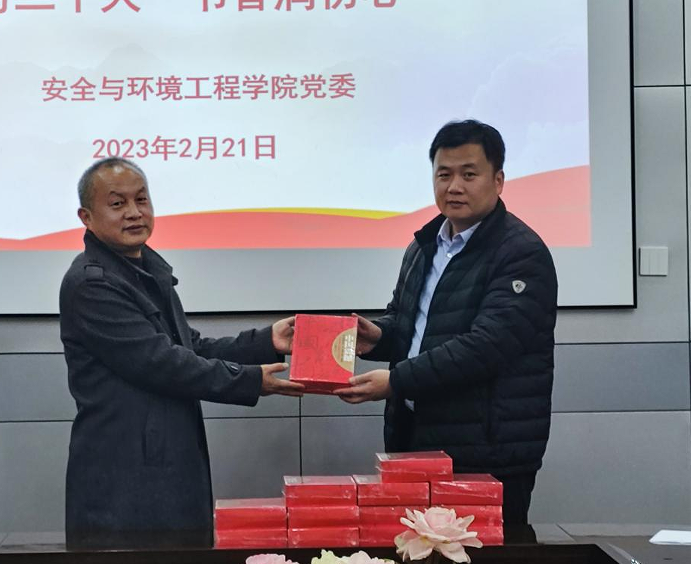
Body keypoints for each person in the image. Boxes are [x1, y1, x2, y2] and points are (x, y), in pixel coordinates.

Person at [59, 157, 303, 548]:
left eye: (141, 199)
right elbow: (163, 363)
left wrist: (265, 342)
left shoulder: (145, 270)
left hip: (166, 467)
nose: (134, 212)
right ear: (86, 217)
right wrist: (252, 381)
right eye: (118, 203)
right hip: (125, 479)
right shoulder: (92, 284)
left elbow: (190, 346)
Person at [335, 119, 558, 525]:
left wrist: (396, 381)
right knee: (412, 548)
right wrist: (378, 336)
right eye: (444, 174)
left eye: (469, 175)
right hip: (415, 437)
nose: (454, 186)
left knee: (491, 551)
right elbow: (412, 324)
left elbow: (485, 347)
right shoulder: (425, 245)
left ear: (499, 180)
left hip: (485, 451)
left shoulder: (521, 253)